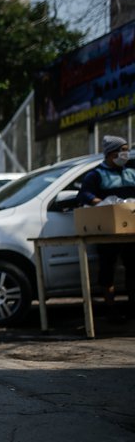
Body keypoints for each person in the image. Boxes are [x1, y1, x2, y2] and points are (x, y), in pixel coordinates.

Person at [77, 135, 135, 320]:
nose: (126, 153)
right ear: (111, 154)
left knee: (133, 268)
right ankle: (111, 310)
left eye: (127, 149)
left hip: (130, 230)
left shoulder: (131, 172)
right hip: (108, 231)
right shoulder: (96, 174)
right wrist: (102, 204)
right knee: (107, 269)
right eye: (123, 150)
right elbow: (84, 195)